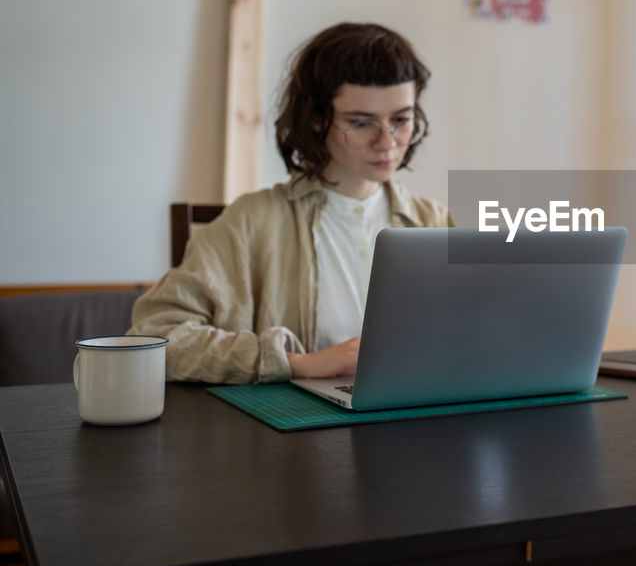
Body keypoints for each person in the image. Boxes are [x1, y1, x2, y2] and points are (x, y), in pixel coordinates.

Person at [129, 23, 453, 384]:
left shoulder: (438, 222)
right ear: (316, 119)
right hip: (297, 434)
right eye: (362, 123)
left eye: (402, 120)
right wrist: (296, 363)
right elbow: (154, 338)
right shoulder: (251, 222)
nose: (388, 142)